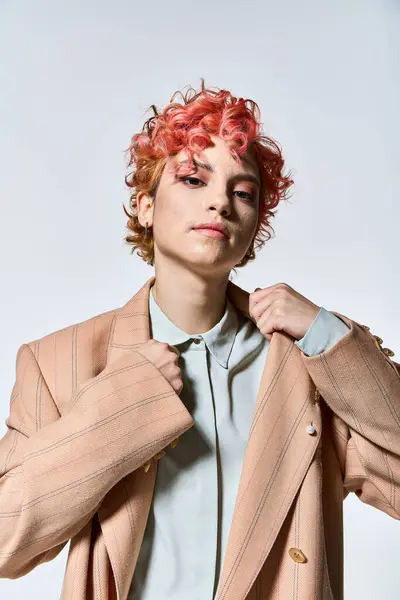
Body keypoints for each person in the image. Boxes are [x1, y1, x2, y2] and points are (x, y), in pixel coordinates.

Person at [0, 80, 399, 600]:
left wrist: (330, 336)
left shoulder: (306, 362)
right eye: (193, 179)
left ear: (255, 224)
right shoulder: (59, 362)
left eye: (242, 192)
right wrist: (122, 407)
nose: (219, 202)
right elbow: (7, 539)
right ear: (145, 206)